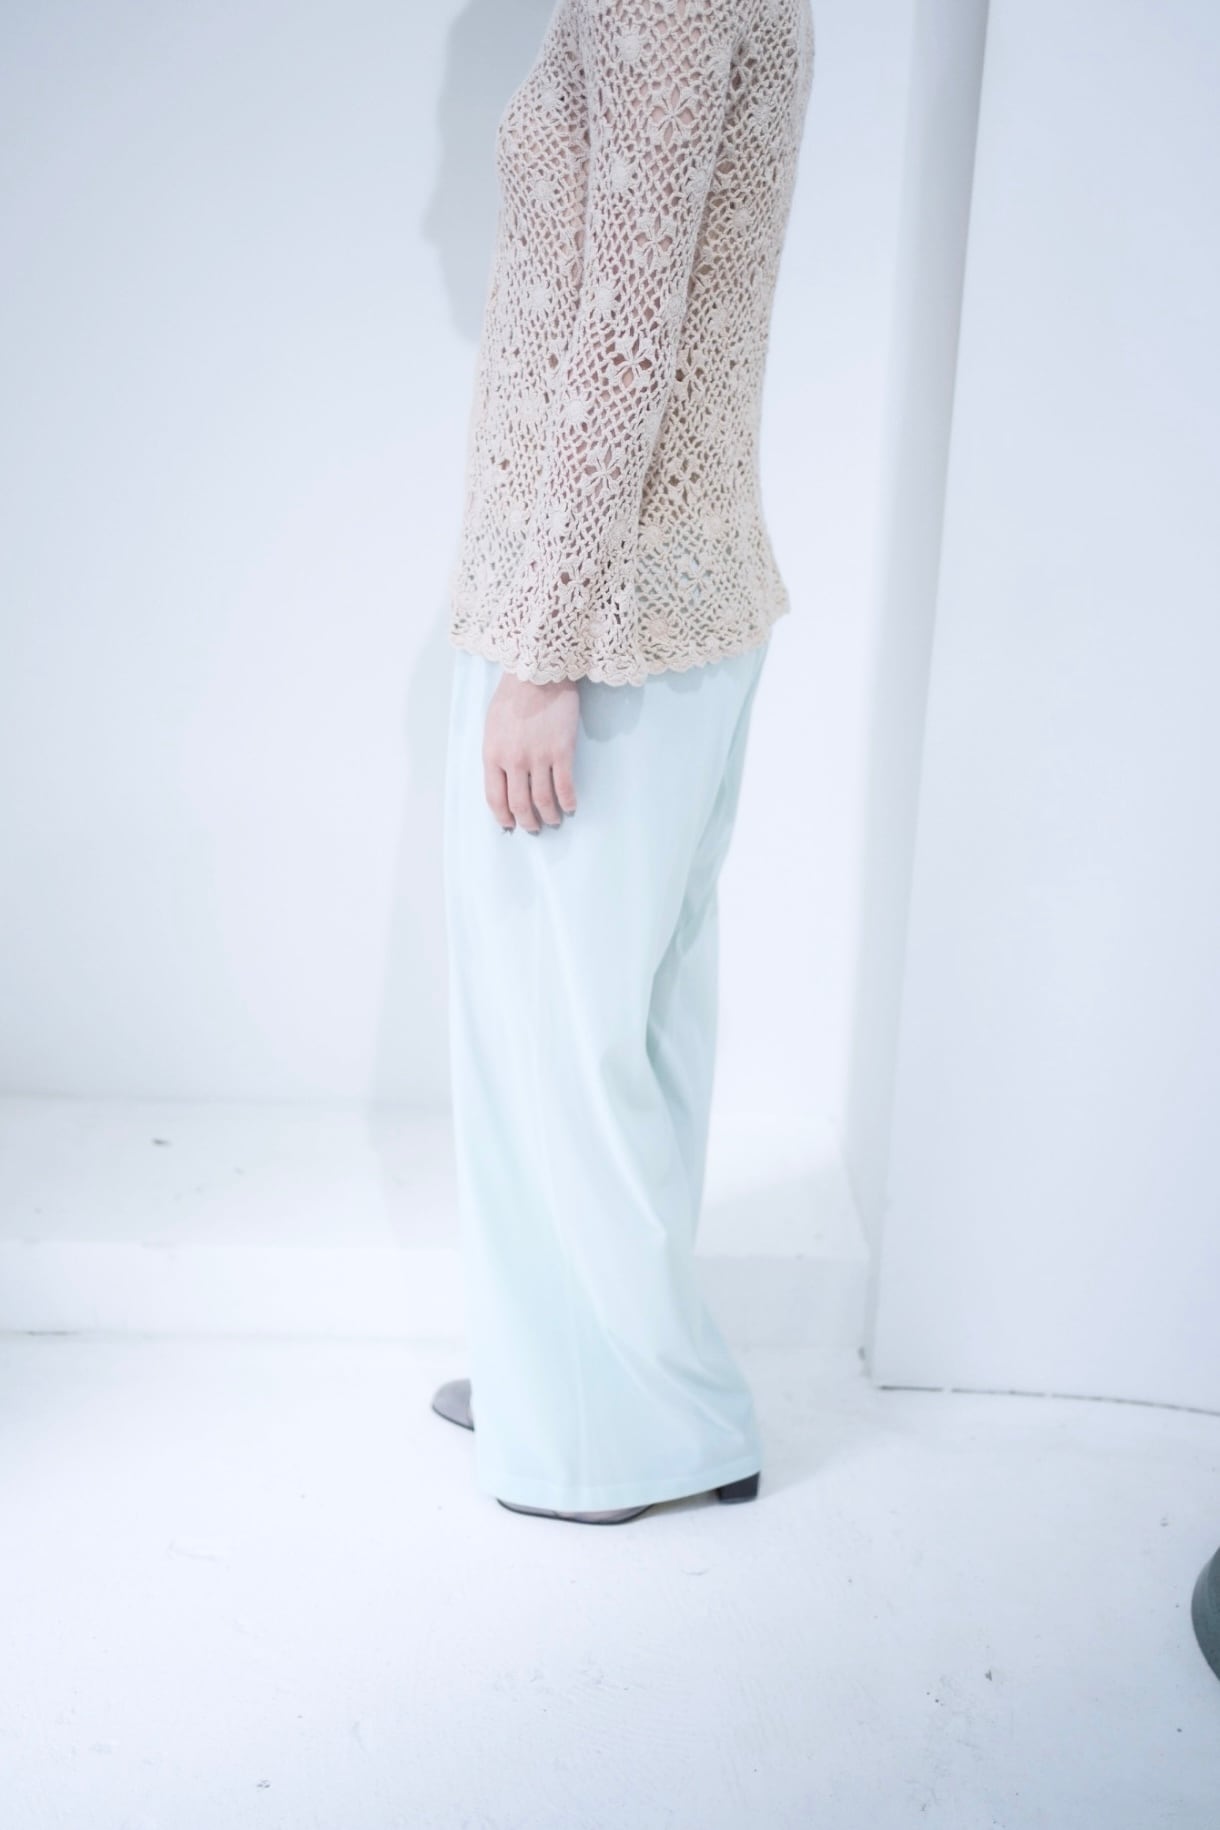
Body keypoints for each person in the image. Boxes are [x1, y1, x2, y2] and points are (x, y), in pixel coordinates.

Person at [436, 0, 815, 1523]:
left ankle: (622, 1426)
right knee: (620, 1031)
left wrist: (541, 652)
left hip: (601, 620)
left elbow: (627, 322)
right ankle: (577, 1371)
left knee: (559, 1037)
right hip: (668, 597)